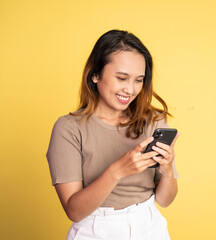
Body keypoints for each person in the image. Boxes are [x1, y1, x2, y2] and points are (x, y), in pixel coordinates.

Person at [46, 29, 180, 240]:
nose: (130, 89)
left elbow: (164, 200)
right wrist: (118, 171)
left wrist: (167, 171)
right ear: (95, 74)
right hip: (95, 230)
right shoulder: (69, 128)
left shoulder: (153, 121)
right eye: (121, 78)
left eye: (138, 80)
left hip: (149, 227)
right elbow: (74, 211)